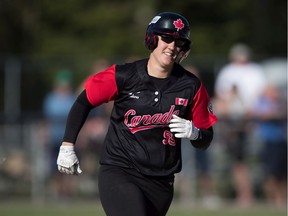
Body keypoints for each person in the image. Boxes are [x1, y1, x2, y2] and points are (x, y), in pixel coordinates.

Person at [56, 12, 217, 216]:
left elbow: (206, 137)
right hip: (120, 170)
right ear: (152, 38)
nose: (172, 46)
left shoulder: (191, 86)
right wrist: (68, 144)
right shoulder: (124, 75)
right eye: (166, 38)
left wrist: (195, 133)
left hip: (161, 180)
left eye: (179, 42)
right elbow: (83, 102)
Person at [214, 43, 267, 207]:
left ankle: (249, 194)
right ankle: (244, 194)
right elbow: (223, 97)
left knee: (252, 161)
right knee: (237, 161)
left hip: (251, 120)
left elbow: (261, 96)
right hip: (234, 121)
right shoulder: (228, 72)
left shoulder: (255, 71)